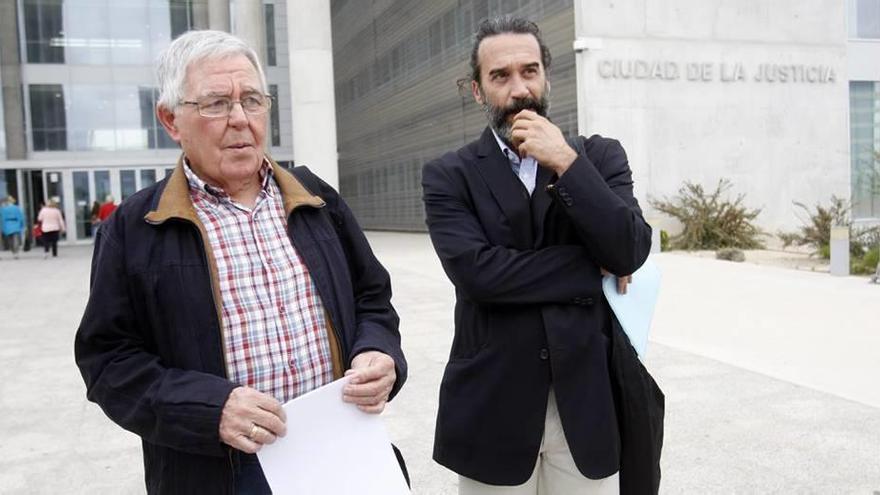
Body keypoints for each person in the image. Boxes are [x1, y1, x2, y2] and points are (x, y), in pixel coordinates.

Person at [74, 30, 407, 494]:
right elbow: (109, 362)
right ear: (171, 120)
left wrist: (378, 351)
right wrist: (211, 409)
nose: (239, 119)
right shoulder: (135, 227)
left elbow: (372, 297)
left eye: (252, 99)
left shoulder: (317, 199)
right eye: (215, 103)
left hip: (343, 455)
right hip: (221, 475)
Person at [421, 16, 663, 495]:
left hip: (587, 402)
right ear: (476, 90)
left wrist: (567, 164)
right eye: (500, 76)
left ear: (547, 77)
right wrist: (587, 266)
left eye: (530, 71)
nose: (519, 89)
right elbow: (479, 276)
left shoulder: (599, 157)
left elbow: (630, 249)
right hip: (495, 403)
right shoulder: (448, 175)